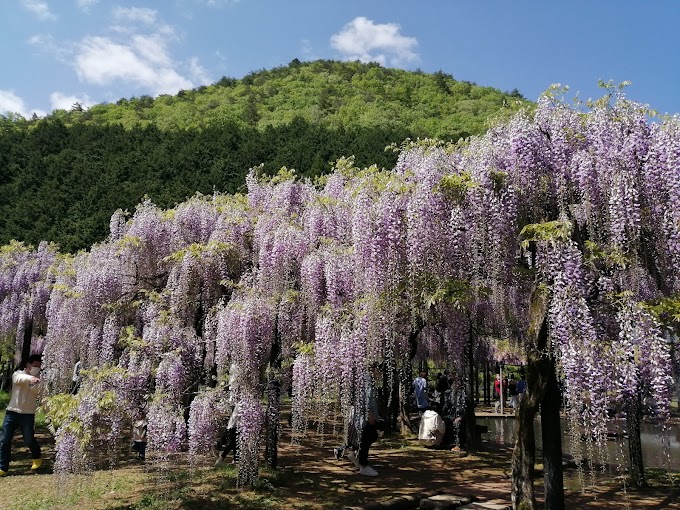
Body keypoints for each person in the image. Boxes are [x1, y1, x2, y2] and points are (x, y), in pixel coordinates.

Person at [333, 365, 382, 476]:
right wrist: (370, 414)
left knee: (366, 437)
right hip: (364, 416)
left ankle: (355, 456)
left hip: (359, 415)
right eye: (379, 371)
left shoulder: (362, 378)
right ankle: (363, 466)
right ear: (374, 370)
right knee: (367, 438)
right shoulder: (367, 379)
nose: (380, 374)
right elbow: (366, 398)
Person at [0, 354, 43, 476]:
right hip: (12, 412)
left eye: (39, 366)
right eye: (35, 366)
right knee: (4, 440)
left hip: (28, 415)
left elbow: (42, 395)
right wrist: (30, 379)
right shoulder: (17, 374)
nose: (37, 369)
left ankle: (37, 457)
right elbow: (20, 379)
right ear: (28, 365)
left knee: (29, 439)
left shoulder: (40, 380)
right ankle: (3, 467)